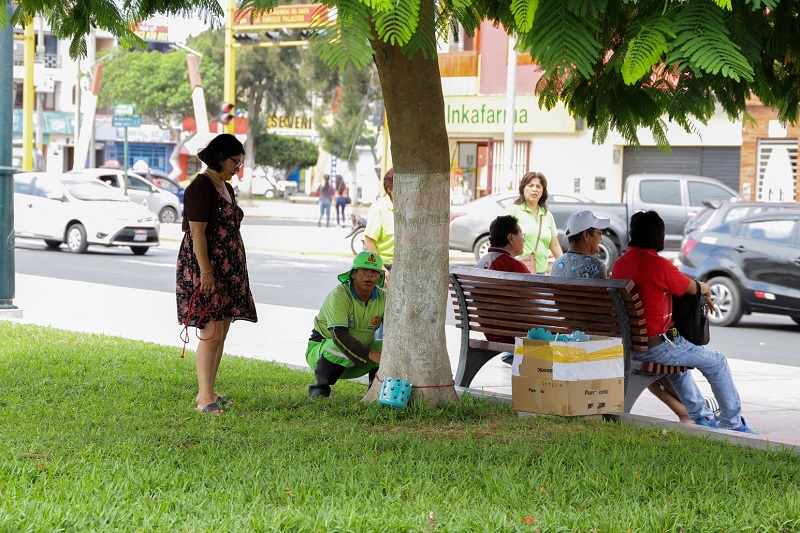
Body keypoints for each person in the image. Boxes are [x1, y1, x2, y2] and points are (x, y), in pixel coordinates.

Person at [611, 210, 756, 433]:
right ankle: (733, 422)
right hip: (655, 347)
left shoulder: (621, 264)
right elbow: (690, 287)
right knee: (717, 362)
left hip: (631, 345)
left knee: (679, 363)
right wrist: (706, 289)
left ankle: (703, 416)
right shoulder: (657, 265)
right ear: (659, 237)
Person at [553, 210, 692, 423]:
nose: (601, 237)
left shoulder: (557, 264)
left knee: (643, 359)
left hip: (570, 332)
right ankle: (687, 409)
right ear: (585, 236)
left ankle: (685, 410)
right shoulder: (595, 266)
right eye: (598, 233)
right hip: (598, 337)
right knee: (645, 353)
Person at [176, 134, 257, 414]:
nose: (238, 167)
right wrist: (206, 272)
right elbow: (197, 233)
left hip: (229, 268)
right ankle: (203, 398)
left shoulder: (225, 186)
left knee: (221, 331)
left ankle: (210, 390)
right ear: (220, 157)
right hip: (207, 267)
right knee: (210, 332)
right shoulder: (200, 187)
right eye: (235, 161)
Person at [305, 251, 385, 399]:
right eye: (364, 270)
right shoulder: (339, 295)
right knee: (337, 346)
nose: (369, 275)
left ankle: (374, 393)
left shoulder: (383, 297)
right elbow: (339, 336)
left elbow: (394, 330)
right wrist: (371, 354)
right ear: (353, 274)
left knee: (385, 347)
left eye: (374, 271)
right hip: (324, 354)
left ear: (380, 277)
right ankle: (319, 389)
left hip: (359, 356)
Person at [475, 215, 530, 365]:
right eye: (521, 235)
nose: (523, 239)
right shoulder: (512, 266)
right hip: (512, 333)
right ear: (511, 238)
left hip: (491, 330)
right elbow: (534, 301)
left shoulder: (481, 264)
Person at [507, 171, 563, 274]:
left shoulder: (547, 216)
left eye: (538, 186)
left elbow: (554, 245)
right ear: (523, 188)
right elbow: (501, 242)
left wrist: (564, 266)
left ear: (543, 191)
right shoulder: (513, 211)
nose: (534, 189)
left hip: (540, 272)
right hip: (516, 271)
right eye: (530, 185)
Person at [364, 168, 394, 281]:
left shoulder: (408, 209)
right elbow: (369, 240)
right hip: (384, 269)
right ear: (389, 189)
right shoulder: (379, 208)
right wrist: (381, 268)